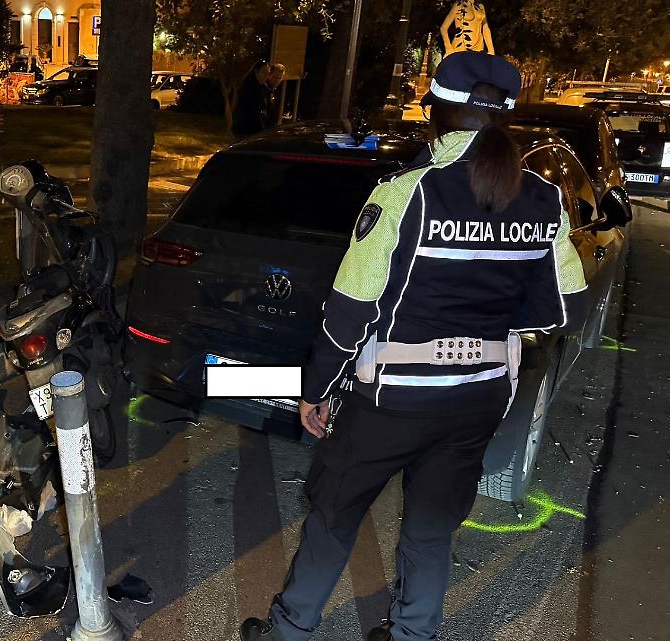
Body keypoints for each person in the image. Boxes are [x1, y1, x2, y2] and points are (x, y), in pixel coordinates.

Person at [240, 52, 587, 641]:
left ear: (438, 112)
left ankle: (289, 631)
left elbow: (349, 312)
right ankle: (412, 634)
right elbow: (566, 307)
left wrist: (315, 392)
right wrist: (491, 321)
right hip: (477, 401)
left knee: (333, 516)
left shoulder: (406, 194)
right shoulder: (542, 201)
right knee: (431, 529)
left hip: (391, 402)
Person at [231, 60, 271, 140]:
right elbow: (249, 110)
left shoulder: (263, 87)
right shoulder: (248, 88)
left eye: (268, 73)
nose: (266, 76)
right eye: (263, 72)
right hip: (245, 129)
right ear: (256, 72)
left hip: (255, 130)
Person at [265, 62, 287, 128]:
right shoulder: (265, 89)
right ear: (269, 75)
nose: (277, 81)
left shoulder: (274, 90)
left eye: (280, 78)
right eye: (274, 77)